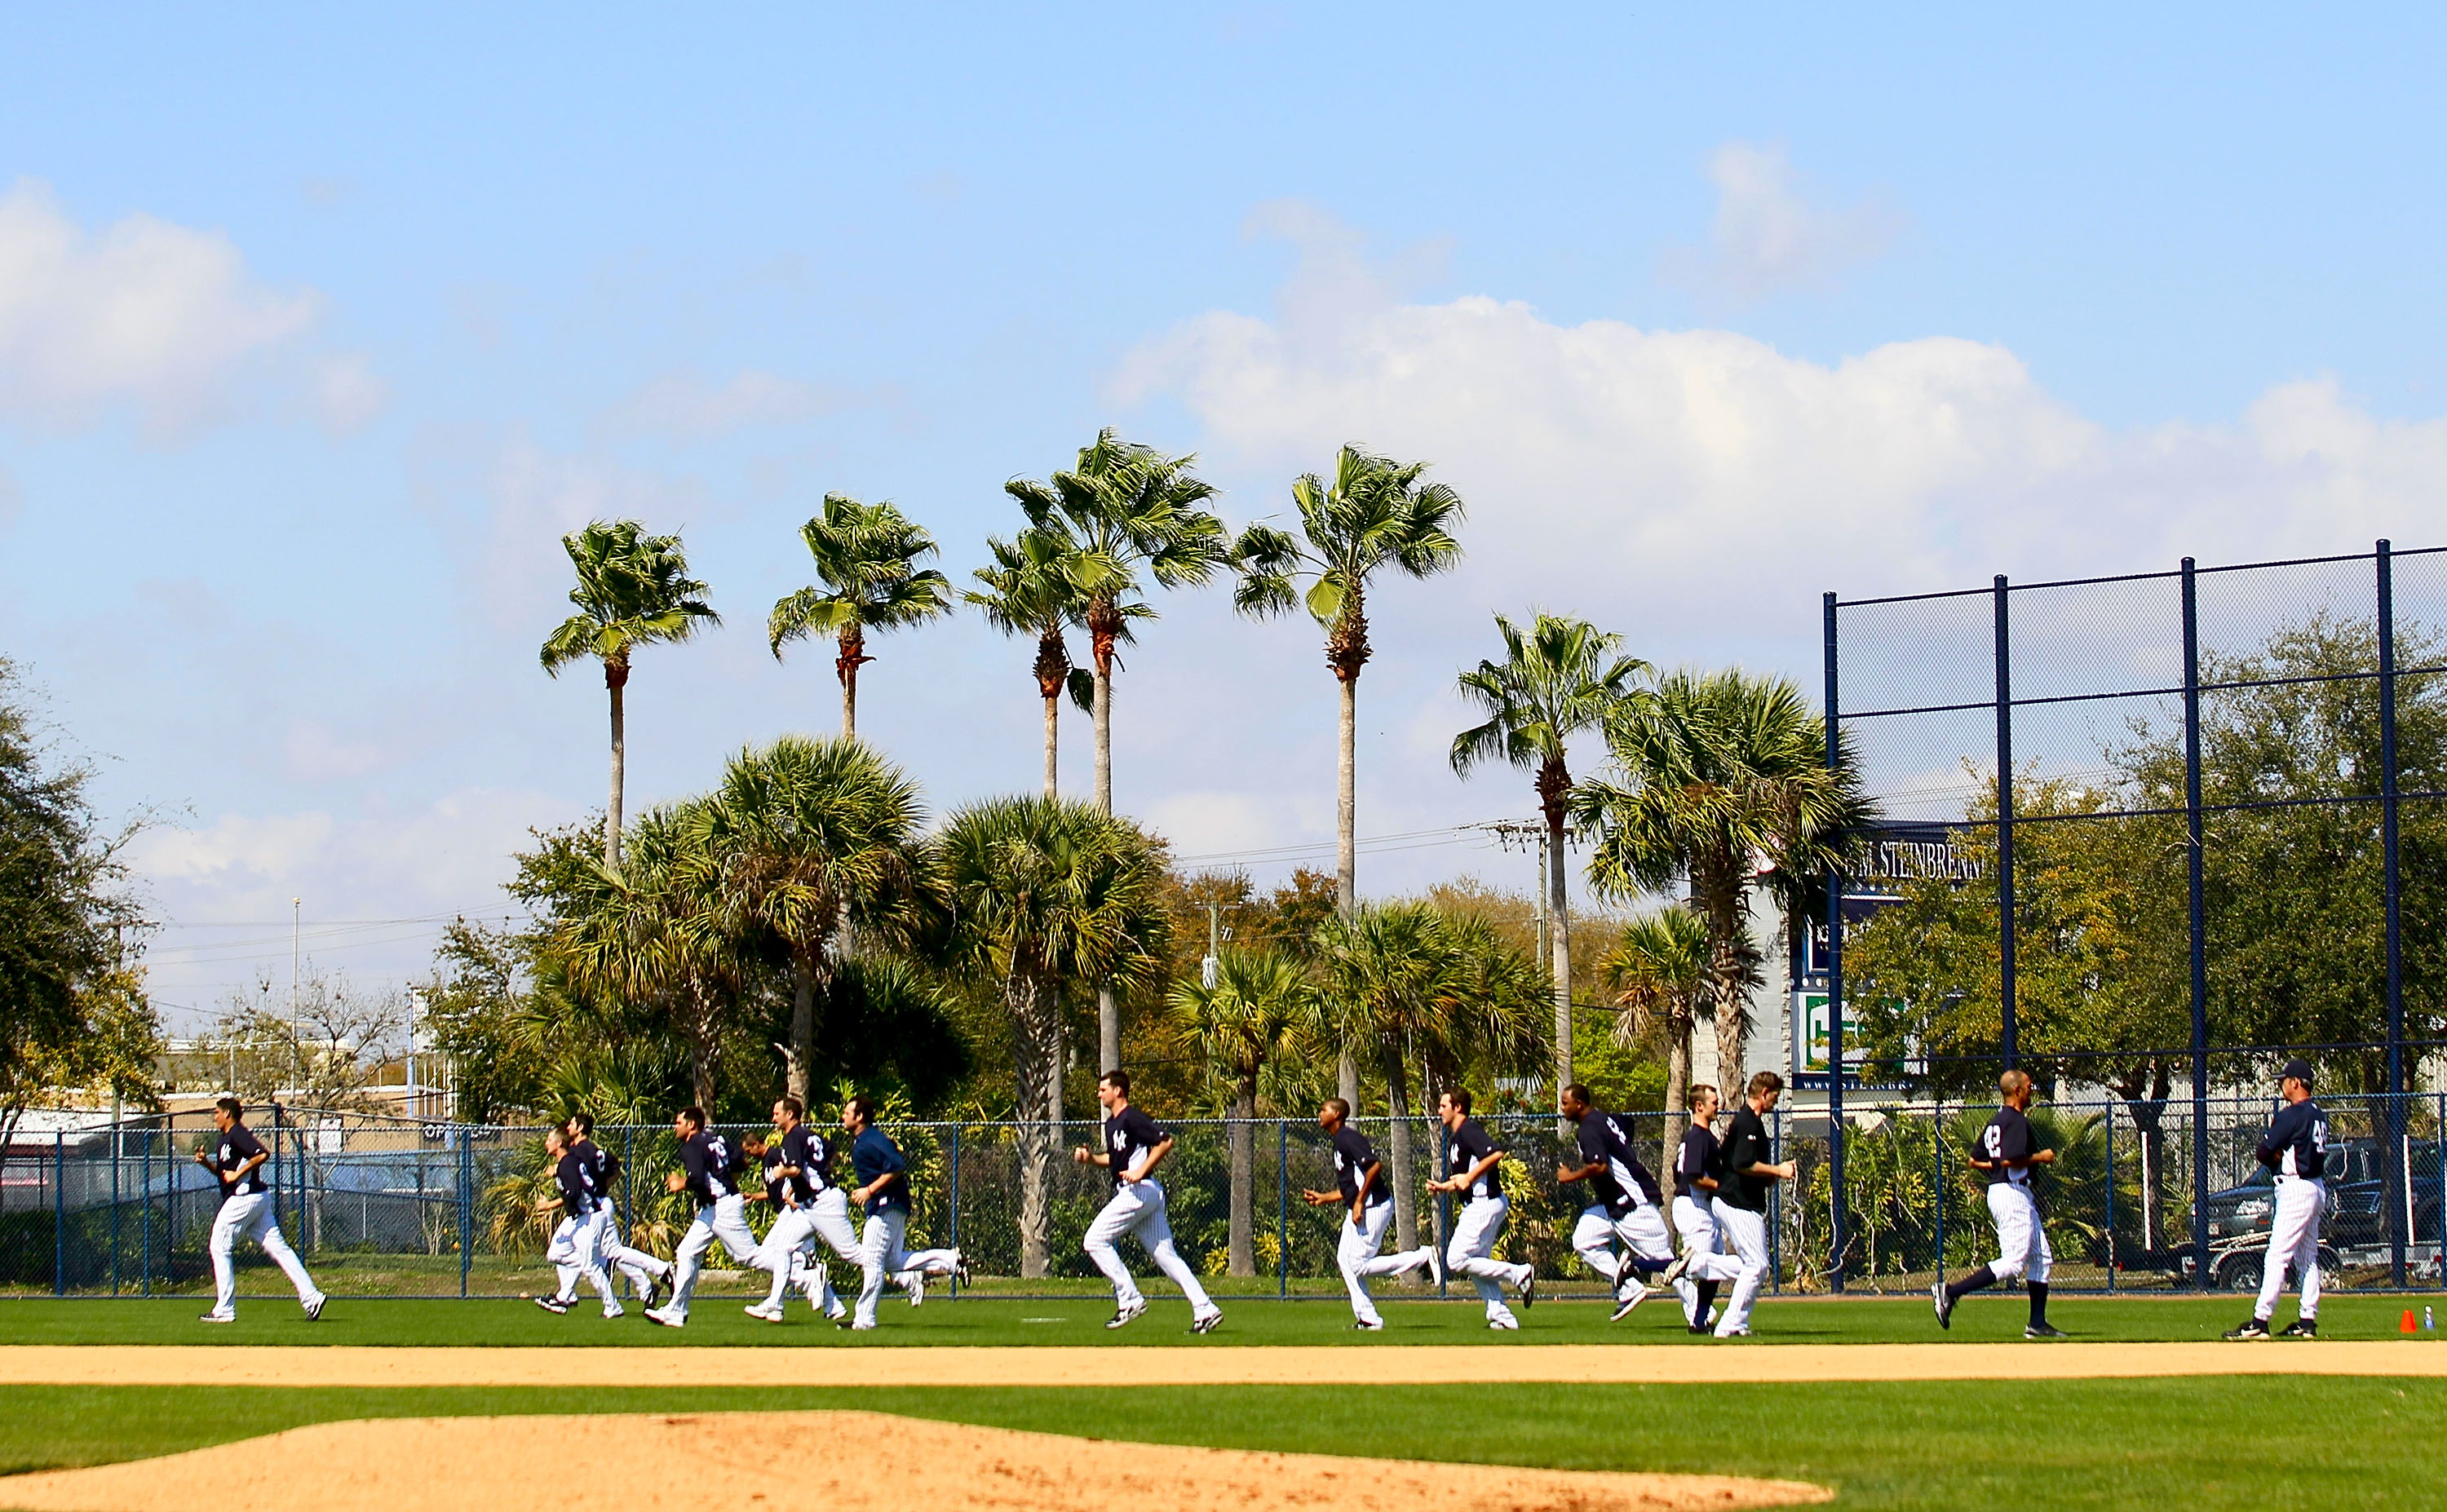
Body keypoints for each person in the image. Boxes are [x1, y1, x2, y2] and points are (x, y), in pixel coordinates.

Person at [1073, 1070, 1223, 1333]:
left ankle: (1130, 1299)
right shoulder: (1112, 1124)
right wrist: (1091, 1160)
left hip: (1139, 1191)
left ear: (1118, 1091)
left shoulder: (1132, 1117)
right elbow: (1115, 1159)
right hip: (1140, 1193)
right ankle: (1205, 1309)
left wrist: (1140, 1171)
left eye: (1103, 1089)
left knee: (1094, 1240)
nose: (1099, 1093)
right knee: (1166, 1255)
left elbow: (1165, 1142)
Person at [1933, 1068, 2064, 1338]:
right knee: (2014, 1263)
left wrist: (1997, 1171)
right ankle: (1951, 1292)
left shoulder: (1996, 1121)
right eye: (2028, 1085)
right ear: (2017, 1090)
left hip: (2007, 1190)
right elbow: (2010, 1159)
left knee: (2042, 1258)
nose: (2031, 1089)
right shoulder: (2016, 1121)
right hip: (2012, 1193)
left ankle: (2037, 1324)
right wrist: (2039, 1158)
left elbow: (1974, 1160)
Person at [192, 1096, 325, 1324]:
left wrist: (238, 1172)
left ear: (227, 1114)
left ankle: (224, 1309)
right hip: (255, 1199)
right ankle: (312, 1297)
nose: (214, 1116)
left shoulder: (237, 1133)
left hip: (245, 1198)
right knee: (279, 1248)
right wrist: (206, 1163)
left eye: (217, 1112)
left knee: (219, 1246)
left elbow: (262, 1154)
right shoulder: (225, 1139)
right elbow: (225, 1177)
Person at [2227, 1059, 2331, 1341]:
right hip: (2316, 1186)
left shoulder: (2291, 1115)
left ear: (2295, 1082)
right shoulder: (2319, 1114)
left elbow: (2264, 1152)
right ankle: (2307, 1320)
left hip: (2296, 1189)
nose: (2281, 1085)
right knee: (2308, 1256)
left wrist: (2275, 1157)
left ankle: (2260, 1320)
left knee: (2277, 1255)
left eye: (2284, 1080)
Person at [843, 1094, 966, 1331]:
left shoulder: (872, 1139)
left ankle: (865, 1319)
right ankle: (950, 1259)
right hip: (887, 1206)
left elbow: (897, 1166)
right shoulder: (863, 1141)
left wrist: (869, 1190)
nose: (843, 1116)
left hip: (886, 1206)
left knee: (871, 1261)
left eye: (848, 1113)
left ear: (859, 1117)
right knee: (892, 1260)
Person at [1556, 1084, 1676, 1322]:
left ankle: (1701, 1312)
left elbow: (1599, 1166)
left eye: (1565, 1102)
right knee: (1584, 1240)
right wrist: (1621, 1148)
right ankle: (1630, 1287)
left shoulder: (1589, 1128)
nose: (1562, 1107)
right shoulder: (1603, 1119)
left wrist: (1570, 1176)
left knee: (1665, 1262)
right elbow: (1627, 1124)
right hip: (1613, 1203)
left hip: (1632, 1203)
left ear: (1579, 1104)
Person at [1299, 1097, 1419, 1329]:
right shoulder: (1339, 1141)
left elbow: (1374, 1166)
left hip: (1373, 1206)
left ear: (1336, 1115)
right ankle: (1368, 1317)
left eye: (1324, 1109)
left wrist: (1359, 1202)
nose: (1320, 1113)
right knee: (1345, 1260)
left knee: (1358, 1264)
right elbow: (1352, 1186)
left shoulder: (1347, 1137)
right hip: (1361, 1206)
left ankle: (1421, 1258)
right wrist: (1325, 1197)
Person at [1424, 1088, 1534, 1330]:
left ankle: (1519, 1274)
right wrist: (1444, 1186)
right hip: (1478, 1204)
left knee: (1455, 1260)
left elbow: (1496, 1153)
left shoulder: (1469, 1130)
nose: (1439, 1110)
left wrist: (1470, 1177)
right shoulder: (1456, 1139)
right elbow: (1464, 1178)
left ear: (1458, 1108)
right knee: (1477, 1264)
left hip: (1484, 1204)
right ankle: (1502, 1317)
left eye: (1444, 1106)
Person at [644, 1106, 760, 1328]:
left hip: (722, 1207)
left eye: (679, 1122)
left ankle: (803, 1273)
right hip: (715, 1207)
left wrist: (679, 1183)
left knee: (748, 1256)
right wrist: (726, 1182)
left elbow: (696, 1178)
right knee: (686, 1252)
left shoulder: (691, 1146)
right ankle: (677, 1310)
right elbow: (741, 1163)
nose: (675, 1127)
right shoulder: (715, 1139)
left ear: (691, 1125)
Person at [1708, 1071, 1794, 1338]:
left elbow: (1728, 1158)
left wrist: (1768, 1177)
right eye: (1774, 1097)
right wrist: (1777, 1171)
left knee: (1754, 1264)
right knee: (1756, 1265)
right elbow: (1742, 1163)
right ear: (1764, 1094)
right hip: (1737, 1203)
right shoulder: (1747, 1122)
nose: (1775, 1103)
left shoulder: (1748, 1123)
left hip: (1741, 1200)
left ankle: (1738, 1323)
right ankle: (1729, 1323)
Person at [1661, 1085, 1743, 1334]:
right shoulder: (1698, 1137)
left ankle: (1699, 1322)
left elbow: (1677, 1170)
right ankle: (1649, 1264)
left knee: (1711, 1269)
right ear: (1700, 1106)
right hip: (1693, 1203)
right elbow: (1692, 1175)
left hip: (1702, 1205)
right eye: (1714, 1102)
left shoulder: (1703, 1138)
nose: (1718, 1106)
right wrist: (1722, 1186)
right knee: (1699, 1264)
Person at [744, 1099, 834, 1324]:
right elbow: (825, 1155)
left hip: (794, 1209)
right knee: (780, 1253)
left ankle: (805, 1278)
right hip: (801, 1205)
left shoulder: (777, 1152)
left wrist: (792, 1192)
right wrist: (755, 1196)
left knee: (766, 1254)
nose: (773, 1118)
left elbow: (795, 1170)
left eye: (776, 1113)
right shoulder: (777, 1153)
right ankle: (783, 1305)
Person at [567, 1112, 670, 1308]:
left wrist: (598, 1189)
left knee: (612, 1251)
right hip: (601, 1202)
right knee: (611, 1251)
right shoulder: (595, 1149)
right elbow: (616, 1166)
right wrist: (604, 1187)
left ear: (580, 1128)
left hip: (595, 1207)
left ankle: (660, 1269)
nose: (568, 1127)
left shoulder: (579, 1151)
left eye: (572, 1123)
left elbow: (579, 1182)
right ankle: (646, 1285)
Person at [533, 1125, 619, 1317]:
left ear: (559, 1143)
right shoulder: (567, 1162)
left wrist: (548, 1206)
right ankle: (571, 1291)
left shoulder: (567, 1164)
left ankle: (612, 1306)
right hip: (579, 1217)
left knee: (590, 1266)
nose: (546, 1143)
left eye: (549, 1140)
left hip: (590, 1216)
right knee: (556, 1252)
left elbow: (574, 1192)